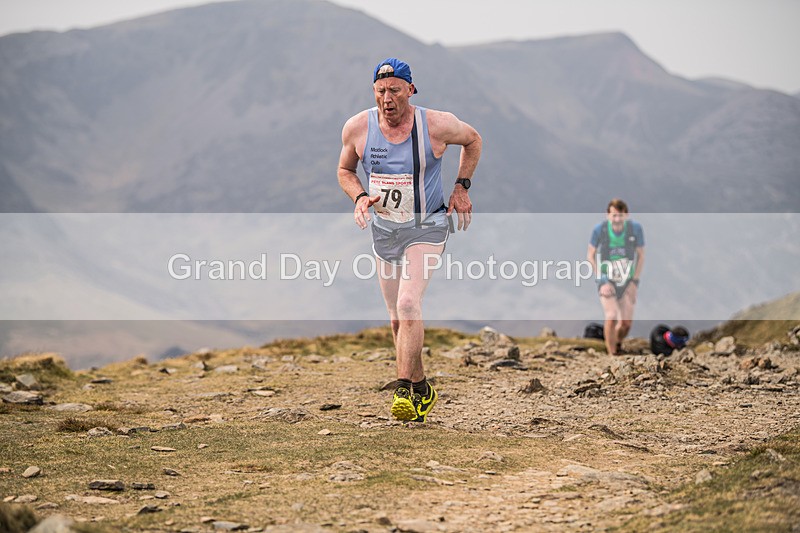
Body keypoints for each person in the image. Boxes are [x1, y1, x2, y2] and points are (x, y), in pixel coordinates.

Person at [337, 58, 482, 423]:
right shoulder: (357, 128)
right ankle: (422, 387)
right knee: (396, 320)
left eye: (395, 91)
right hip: (385, 231)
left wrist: (461, 188)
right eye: (381, 91)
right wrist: (358, 197)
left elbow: (473, 139)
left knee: (407, 303)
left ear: (410, 90)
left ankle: (402, 387)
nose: (388, 98)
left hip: (427, 226)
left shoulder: (435, 124)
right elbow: (345, 170)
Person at [586, 199, 645, 355]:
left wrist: (634, 282)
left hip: (627, 280)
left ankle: (617, 342)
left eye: (620, 215)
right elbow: (590, 256)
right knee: (611, 316)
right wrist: (602, 280)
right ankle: (612, 355)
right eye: (614, 215)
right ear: (608, 215)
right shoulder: (600, 230)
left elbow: (641, 256)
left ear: (626, 215)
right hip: (607, 279)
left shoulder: (635, 229)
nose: (617, 219)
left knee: (625, 324)